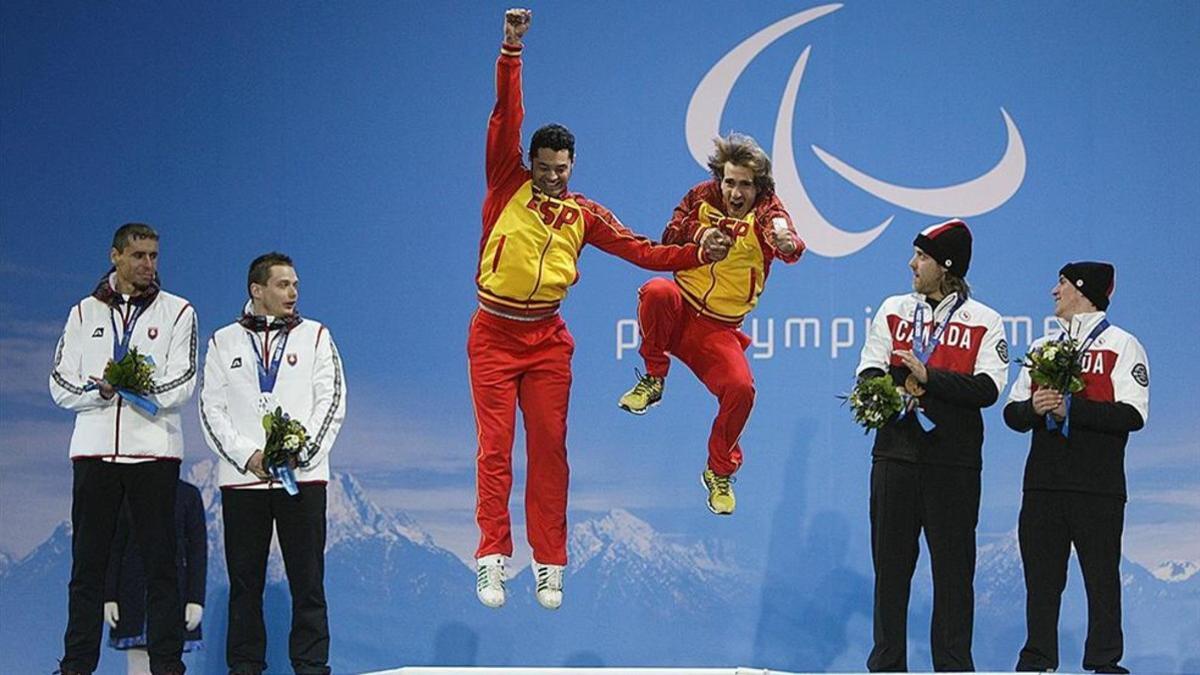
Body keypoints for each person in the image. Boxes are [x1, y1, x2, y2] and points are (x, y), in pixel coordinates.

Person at [471, 8, 725, 611]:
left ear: (573, 167)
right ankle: (491, 558)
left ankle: (550, 562)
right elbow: (507, 116)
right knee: (495, 447)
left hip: (547, 340)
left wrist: (695, 253)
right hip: (493, 336)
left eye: (563, 169)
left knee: (551, 448)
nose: (554, 177)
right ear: (528, 163)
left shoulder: (584, 213)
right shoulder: (506, 182)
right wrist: (511, 51)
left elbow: (640, 249)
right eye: (545, 167)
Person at [616, 132, 805, 515]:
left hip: (717, 331)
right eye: (730, 182)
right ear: (720, 179)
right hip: (679, 311)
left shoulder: (768, 212)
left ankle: (719, 471)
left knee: (741, 389)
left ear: (760, 187)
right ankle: (653, 378)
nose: (736, 193)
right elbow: (671, 233)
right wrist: (702, 236)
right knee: (656, 290)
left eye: (746, 185)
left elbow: (785, 236)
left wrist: (787, 244)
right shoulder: (700, 197)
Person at [854, 219, 1009, 672]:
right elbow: (867, 372)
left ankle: (954, 666)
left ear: (946, 266)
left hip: (953, 464)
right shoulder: (893, 308)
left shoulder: (985, 320)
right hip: (895, 457)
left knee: (954, 573)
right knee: (891, 570)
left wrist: (929, 379)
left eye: (920, 257)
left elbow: (988, 388)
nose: (911, 264)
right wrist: (894, 389)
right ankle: (887, 665)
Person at [50, 222, 198, 675]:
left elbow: (184, 380)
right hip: (94, 454)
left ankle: (168, 666)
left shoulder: (177, 312)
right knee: (87, 567)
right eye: (139, 256)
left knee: (161, 566)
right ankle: (76, 665)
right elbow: (59, 383)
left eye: (154, 256)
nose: (149, 265)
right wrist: (102, 393)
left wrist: (134, 386)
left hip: (153, 454)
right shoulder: (82, 313)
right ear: (115, 256)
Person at [199, 252, 347, 675]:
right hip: (244, 481)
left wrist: (301, 452)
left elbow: (332, 400)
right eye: (283, 285)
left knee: (308, 582)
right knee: (245, 585)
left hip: (303, 479)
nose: (293, 292)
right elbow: (211, 410)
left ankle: (312, 667)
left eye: (296, 285)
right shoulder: (223, 341)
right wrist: (249, 456)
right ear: (257, 291)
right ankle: (244, 668)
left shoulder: (316, 336)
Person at [1005, 262, 1148, 674]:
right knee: (1041, 579)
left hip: (1097, 486)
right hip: (1043, 485)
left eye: (1062, 284)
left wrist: (1075, 408)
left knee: (1101, 578)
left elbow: (1133, 414)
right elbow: (1012, 415)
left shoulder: (1123, 345)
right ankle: (1037, 659)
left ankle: (1104, 661)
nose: (1054, 291)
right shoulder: (1040, 347)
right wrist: (1033, 408)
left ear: (1082, 290)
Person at [104, 480, 207, 675]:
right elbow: (115, 547)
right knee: (137, 665)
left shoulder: (187, 495)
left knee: (169, 663)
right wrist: (109, 595)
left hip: (175, 596)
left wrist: (195, 599)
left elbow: (197, 550)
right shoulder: (127, 494)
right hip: (133, 596)